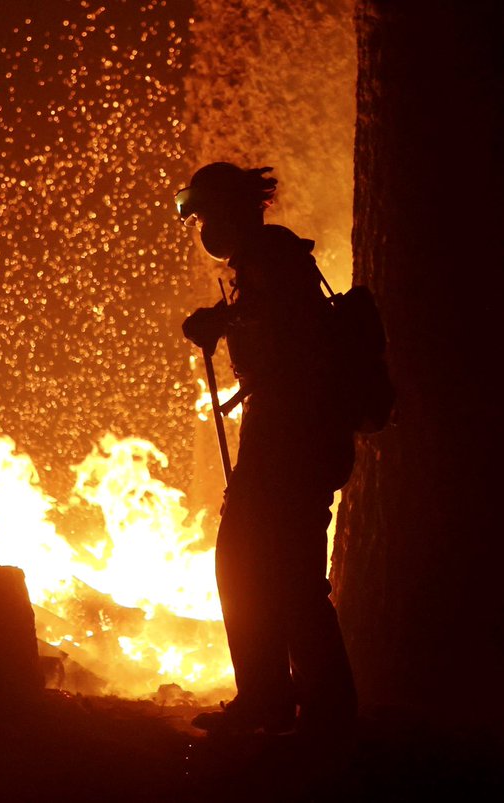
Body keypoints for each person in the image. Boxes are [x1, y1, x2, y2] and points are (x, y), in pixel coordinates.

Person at [176, 162, 357, 736]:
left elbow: (289, 330)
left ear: (232, 210)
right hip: (293, 436)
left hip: (289, 439)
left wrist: (222, 320)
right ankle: (309, 706)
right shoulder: (264, 261)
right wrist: (227, 317)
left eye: (205, 214)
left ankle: (279, 704)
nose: (203, 228)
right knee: (282, 573)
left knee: (248, 565)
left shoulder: (272, 256)